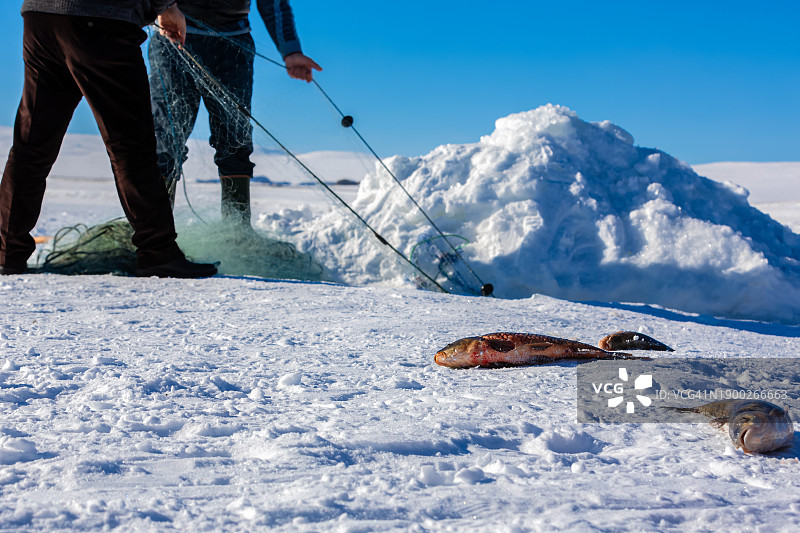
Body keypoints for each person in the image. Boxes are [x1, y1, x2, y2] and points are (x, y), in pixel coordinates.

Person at [0, 1, 217, 278]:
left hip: (40, 18)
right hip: (102, 20)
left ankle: (7, 254)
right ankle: (157, 252)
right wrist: (166, 6)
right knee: (131, 145)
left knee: (32, 144)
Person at [148, 0, 321, 225]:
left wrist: (291, 50)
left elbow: (274, 3)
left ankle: (238, 232)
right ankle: (153, 235)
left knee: (235, 141)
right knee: (165, 140)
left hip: (233, 44)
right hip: (171, 36)